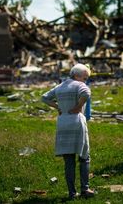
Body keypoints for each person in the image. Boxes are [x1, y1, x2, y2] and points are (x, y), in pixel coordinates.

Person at [41, 63, 95, 200]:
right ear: (76, 75)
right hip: (76, 123)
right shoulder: (79, 85)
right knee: (84, 157)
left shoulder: (60, 87)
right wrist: (78, 106)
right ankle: (85, 189)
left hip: (63, 123)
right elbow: (87, 93)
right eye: (85, 77)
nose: (85, 80)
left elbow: (44, 97)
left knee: (69, 160)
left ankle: (72, 193)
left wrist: (57, 106)